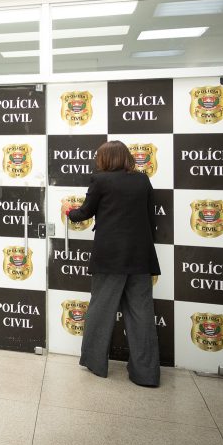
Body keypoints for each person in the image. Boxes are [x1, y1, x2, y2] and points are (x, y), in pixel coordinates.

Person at [65, 139, 161, 387]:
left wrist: (68, 210)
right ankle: (147, 374)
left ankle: (96, 363)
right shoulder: (142, 180)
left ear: (106, 159)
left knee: (100, 310)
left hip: (110, 258)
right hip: (140, 257)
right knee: (142, 314)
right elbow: (151, 220)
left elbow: (84, 213)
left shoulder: (100, 180)